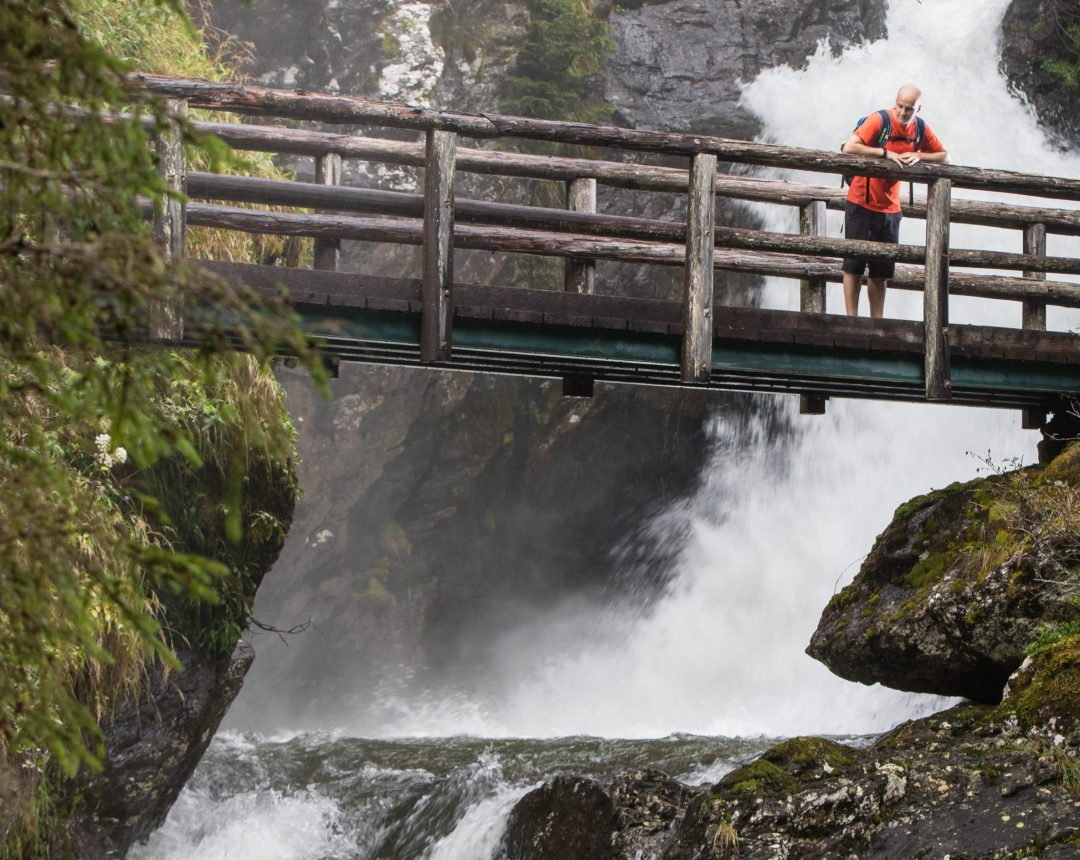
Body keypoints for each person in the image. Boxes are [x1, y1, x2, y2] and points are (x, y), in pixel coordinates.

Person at [840, 84, 949, 318]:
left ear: (918, 108)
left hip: (890, 208)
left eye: (909, 109)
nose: (902, 112)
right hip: (861, 202)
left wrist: (918, 155)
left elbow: (944, 156)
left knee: (881, 271)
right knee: (854, 265)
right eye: (899, 106)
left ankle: (877, 322)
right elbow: (850, 147)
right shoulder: (879, 120)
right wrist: (885, 153)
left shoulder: (919, 128)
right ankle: (851, 319)